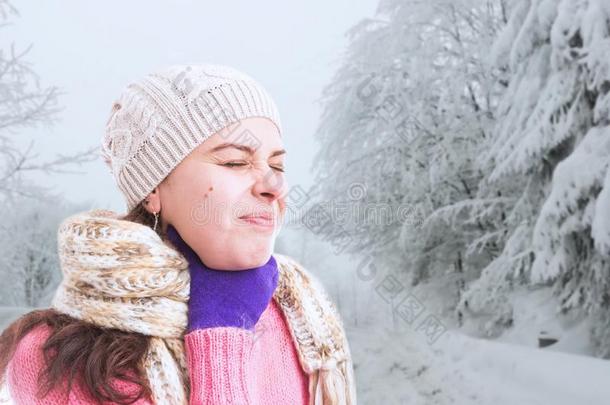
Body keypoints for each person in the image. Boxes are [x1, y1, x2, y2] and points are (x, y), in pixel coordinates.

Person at [0, 64, 357, 404]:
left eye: (277, 165)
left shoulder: (300, 314)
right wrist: (223, 333)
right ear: (153, 189)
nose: (274, 185)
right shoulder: (59, 356)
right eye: (235, 161)